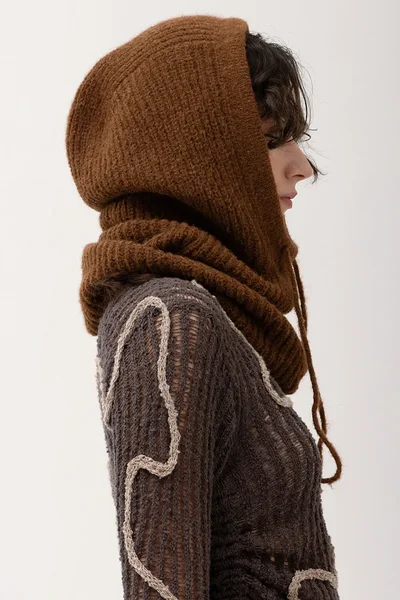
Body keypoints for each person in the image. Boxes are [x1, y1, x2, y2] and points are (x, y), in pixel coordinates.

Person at [65, 14, 342, 599]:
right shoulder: (168, 319)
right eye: (270, 141)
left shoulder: (203, 319)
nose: (302, 166)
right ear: (197, 157)